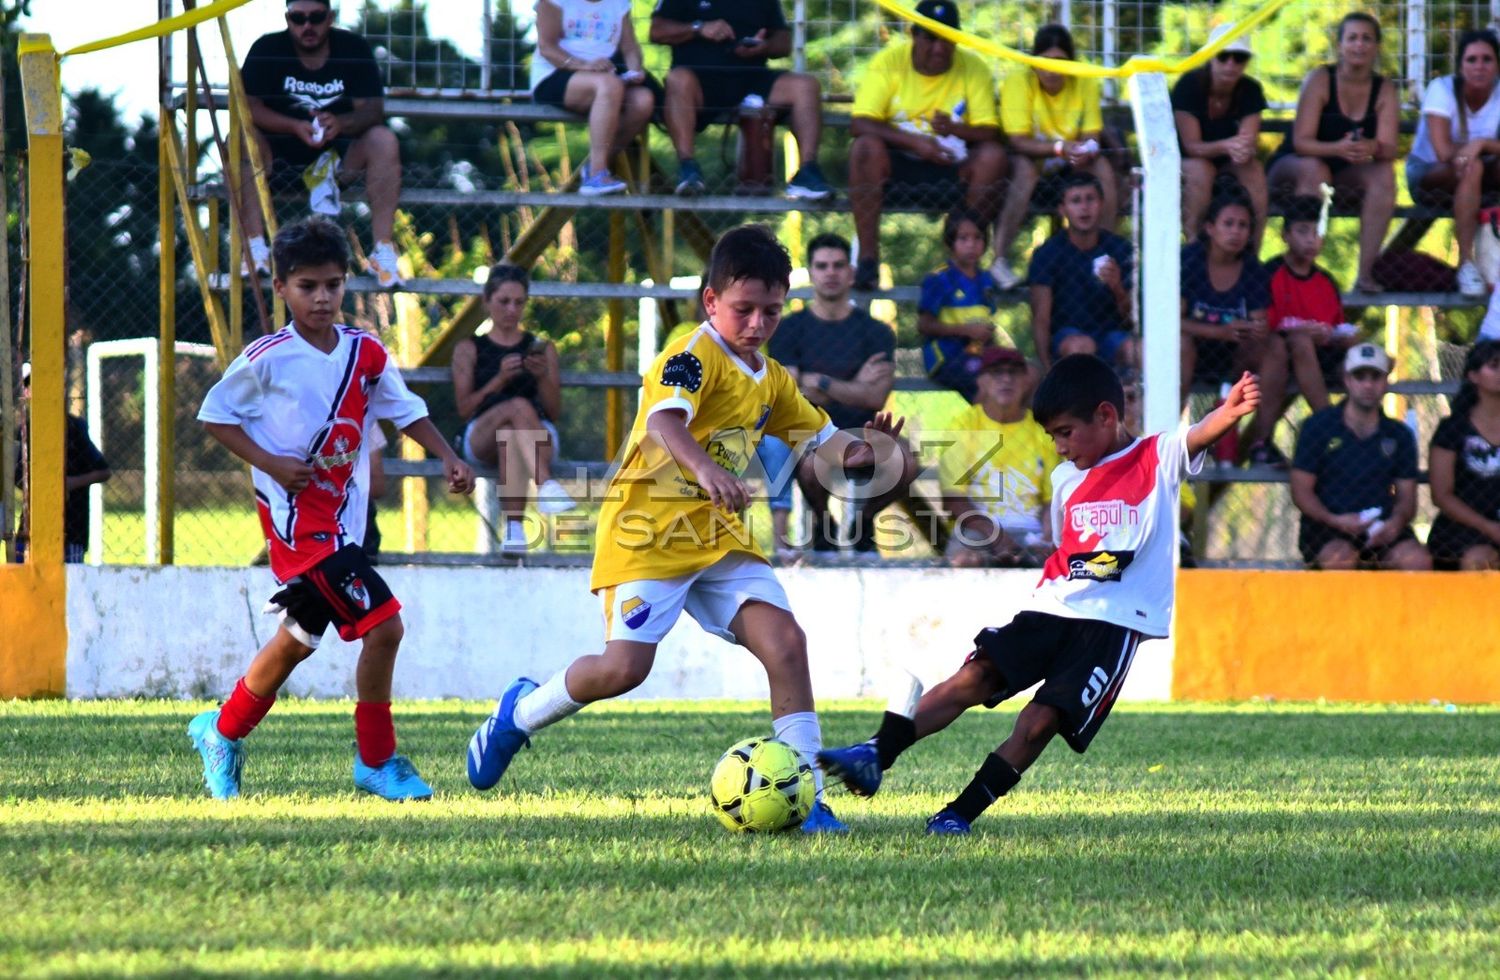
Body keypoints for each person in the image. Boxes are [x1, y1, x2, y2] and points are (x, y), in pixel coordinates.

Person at [465, 225, 914, 834]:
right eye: (743, 309)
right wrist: (705, 469)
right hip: (649, 530)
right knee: (623, 669)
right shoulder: (689, 355)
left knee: (785, 643)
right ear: (710, 302)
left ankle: (807, 795)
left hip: (720, 537)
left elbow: (829, 447)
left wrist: (870, 450)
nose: (757, 323)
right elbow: (666, 426)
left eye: (772, 311)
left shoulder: (774, 379)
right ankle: (518, 714)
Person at [817, 356, 1261, 834]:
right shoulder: (1065, 478)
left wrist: (1230, 413)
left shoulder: (1155, 456)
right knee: (975, 677)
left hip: (1112, 626)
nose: (1060, 446)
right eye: (1052, 436)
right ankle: (875, 754)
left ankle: (957, 815)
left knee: (1039, 723)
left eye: (1067, 432)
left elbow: (1198, 435)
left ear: (1107, 416)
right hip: (1052, 606)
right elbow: (1066, 548)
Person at [190, 217, 476, 801]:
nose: (322, 298)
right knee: (386, 626)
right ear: (281, 289)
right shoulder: (266, 357)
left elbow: (405, 409)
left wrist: (448, 455)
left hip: (343, 525)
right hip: (299, 529)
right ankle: (377, 760)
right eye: (307, 286)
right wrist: (270, 463)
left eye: (333, 285)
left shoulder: (365, 353)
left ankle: (220, 730)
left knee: (296, 640)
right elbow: (214, 417)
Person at [240, 0, 407, 288]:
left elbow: (373, 110)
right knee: (240, 140)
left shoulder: (353, 48)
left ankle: (383, 250)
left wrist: (341, 123)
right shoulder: (266, 49)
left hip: (339, 165)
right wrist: (293, 125)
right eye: (298, 18)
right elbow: (247, 108)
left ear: (330, 17)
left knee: (384, 139)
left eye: (315, 17)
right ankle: (255, 249)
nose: (307, 26)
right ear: (287, 18)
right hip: (277, 163)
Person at [846, 0, 1007, 291]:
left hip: (953, 165)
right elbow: (859, 124)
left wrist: (955, 129)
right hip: (899, 165)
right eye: (931, 38)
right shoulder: (888, 62)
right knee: (864, 148)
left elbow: (990, 132)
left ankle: (964, 262)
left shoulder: (974, 67)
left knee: (994, 157)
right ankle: (868, 260)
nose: (939, 48)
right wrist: (916, 143)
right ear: (914, 35)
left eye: (948, 39)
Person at [756, 233, 901, 554]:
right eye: (822, 266)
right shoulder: (787, 328)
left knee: (905, 459)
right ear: (811, 272)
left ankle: (862, 526)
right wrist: (856, 385)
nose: (831, 273)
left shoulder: (877, 332)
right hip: (811, 432)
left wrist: (819, 383)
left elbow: (875, 398)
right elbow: (790, 393)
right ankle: (826, 527)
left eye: (838, 265)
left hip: (864, 432)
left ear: (851, 272)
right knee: (809, 464)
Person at [451, 263, 577, 555]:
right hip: (481, 431)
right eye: (503, 301)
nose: (511, 310)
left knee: (511, 433)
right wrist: (499, 380)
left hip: (536, 434)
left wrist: (542, 375)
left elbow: (554, 412)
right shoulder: (469, 348)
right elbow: (464, 408)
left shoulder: (541, 348)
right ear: (487, 302)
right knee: (514, 409)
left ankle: (514, 531)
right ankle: (545, 484)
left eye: (519, 302)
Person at [1267, 12, 1397, 294]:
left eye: (1366, 39)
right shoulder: (1320, 79)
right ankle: (1303, 272)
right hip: (1293, 167)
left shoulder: (1384, 88)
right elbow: (1301, 142)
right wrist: (1338, 148)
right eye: (1352, 38)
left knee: (1384, 174)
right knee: (1316, 169)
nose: (1359, 45)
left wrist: (1371, 147)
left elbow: (1389, 148)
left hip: (1344, 174)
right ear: (1340, 45)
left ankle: (1365, 274)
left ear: (1376, 47)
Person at [648, 0, 830, 200]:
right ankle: (688, 168)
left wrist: (764, 46)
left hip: (752, 77)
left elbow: (784, 42)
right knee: (677, 79)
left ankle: (808, 171)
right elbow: (657, 31)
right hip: (699, 80)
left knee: (806, 85)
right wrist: (699, 28)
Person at [991, 24, 1116, 290]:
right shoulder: (1017, 81)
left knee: (1103, 167)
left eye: (1060, 61)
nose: (1052, 69)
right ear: (1033, 62)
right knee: (1025, 171)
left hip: (1071, 161)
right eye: (1044, 61)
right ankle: (999, 259)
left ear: (1071, 62)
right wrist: (1059, 148)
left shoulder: (1084, 80)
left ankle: (1105, 257)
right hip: (1028, 158)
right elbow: (1017, 140)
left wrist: (1086, 151)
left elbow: (1092, 133)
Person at [1243, 195, 1362, 468]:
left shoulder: (1326, 281)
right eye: (1302, 232)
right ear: (1285, 235)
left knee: (1366, 354)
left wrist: (1336, 334)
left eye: (1317, 233)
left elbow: (1336, 324)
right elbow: (1265, 324)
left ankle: (1366, 432)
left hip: (1323, 356)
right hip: (1280, 355)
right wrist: (1304, 329)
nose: (1311, 240)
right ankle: (1333, 429)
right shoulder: (1270, 273)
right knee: (1299, 342)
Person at [1289, 343, 1431, 571]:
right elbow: (1300, 491)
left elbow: (1407, 499)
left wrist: (1395, 524)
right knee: (1340, 559)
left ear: (1386, 381)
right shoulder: (1317, 427)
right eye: (1359, 376)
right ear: (1346, 379)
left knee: (1417, 560)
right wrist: (1334, 520)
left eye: (1375, 377)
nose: (1368, 384)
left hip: (1381, 527)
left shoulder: (1399, 434)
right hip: (1327, 528)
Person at [940, 347, 1058, 567]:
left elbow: (1051, 500)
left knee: (1064, 562)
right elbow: (953, 499)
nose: (1006, 379)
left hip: (1031, 531)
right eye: (996, 372)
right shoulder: (963, 426)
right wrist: (997, 538)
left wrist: (1049, 536)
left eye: (1014, 372)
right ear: (981, 381)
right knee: (962, 560)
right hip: (977, 530)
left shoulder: (1042, 430)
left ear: (1026, 381)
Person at [530, 0, 658, 196]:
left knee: (643, 100)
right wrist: (582, 65)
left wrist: (634, 71)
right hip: (556, 74)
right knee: (609, 85)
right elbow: (547, 48)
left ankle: (597, 165)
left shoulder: (620, 3)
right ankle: (596, 176)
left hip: (604, 77)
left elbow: (630, 47)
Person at [1407, 29, 1500, 296]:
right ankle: (1466, 265)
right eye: (1472, 60)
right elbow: (1443, 151)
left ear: (1497, 65)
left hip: (1481, 175)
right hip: (1429, 174)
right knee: (1473, 166)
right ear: (1460, 65)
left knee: (1476, 165)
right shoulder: (1442, 89)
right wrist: (1476, 152)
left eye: (1487, 59)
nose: (1479, 66)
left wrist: (1480, 144)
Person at [1028, 171, 1135, 369]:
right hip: (1067, 336)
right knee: (1082, 346)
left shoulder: (1120, 249)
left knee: (1137, 349)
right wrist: (1047, 369)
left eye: (1090, 199)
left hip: (1111, 334)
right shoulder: (1047, 253)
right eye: (1076, 201)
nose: (1084, 208)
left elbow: (1132, 320)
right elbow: (1040, 319)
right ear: (1062, 209)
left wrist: (1117, 286)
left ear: (1101, 204)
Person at [1172, 23, 1269, 244]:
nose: (1231, 64)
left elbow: (1246, 142)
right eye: (1223, 56)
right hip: (1186, 163)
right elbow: (1191, 146)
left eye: (1239, 57)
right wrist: (1228, 145)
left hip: (1229, 164)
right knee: (1201, 170)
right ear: (1210, 56)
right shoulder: (1189, 85)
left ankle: (1253, 252)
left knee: (1253, 170)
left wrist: (1242, 149)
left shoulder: (1251, 90)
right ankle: (1195, 246)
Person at [12, 362, 112, 564]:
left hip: (71, 529)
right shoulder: (24, 430)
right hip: (32, 527)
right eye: (30, 385)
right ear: (26, 391)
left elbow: (103, 471)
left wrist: (69, 483)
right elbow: (16, 477)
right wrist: (38, 487)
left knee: (70, 586)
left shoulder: (74, 427)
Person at [1180, 184, 1270, 406]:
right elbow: (1171, 321)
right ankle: (1169, 429)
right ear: (1210, 227)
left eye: (1243, 226)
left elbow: (1260, 320)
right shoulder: (1189, 261)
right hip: (1193, 349)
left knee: (1271, 346)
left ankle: (1253, 431)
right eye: (1228, 224)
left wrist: (1255, 327)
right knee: (1182, 343)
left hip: (1233, 354)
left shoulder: (1253, 269)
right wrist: (1220, 331)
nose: (1236, 232)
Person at [918, 209, 1006, 402]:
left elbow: (985, 320)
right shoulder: (940, 278)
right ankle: (988, 430)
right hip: (946, 356)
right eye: (963, 238)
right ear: (950, 243)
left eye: (977, 238)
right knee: (987, 387)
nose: (971, 245)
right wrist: (966, 330)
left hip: (977, 354)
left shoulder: (986, 279)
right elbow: (924, 325)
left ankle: (1006, 430)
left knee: (1018, 376)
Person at [1428, 339, 1500, 569]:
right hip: (1462, 528)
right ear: (1473, 376)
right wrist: (1489, 528)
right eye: (1494, 365)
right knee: (1480, 560)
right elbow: (1441, 496)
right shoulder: (1453, 429)